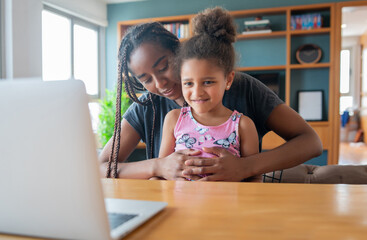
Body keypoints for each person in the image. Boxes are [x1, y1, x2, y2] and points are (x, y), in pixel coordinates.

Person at [98, 7, 323, 180]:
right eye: (145, 79)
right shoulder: (147, 106)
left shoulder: (243, 88)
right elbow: (100, 167)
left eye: (163, 66)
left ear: (180, 52)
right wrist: (158, 166)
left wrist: (246, 167)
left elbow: (311, 142)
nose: (160, 83)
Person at [158, 7, 261, 182]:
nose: (197, 92)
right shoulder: (174, 119)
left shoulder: (243, 126)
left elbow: (254, 181)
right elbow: (161, 172)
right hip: (180, 206)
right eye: (188, 83)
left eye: (207, 82)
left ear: (228, 80)